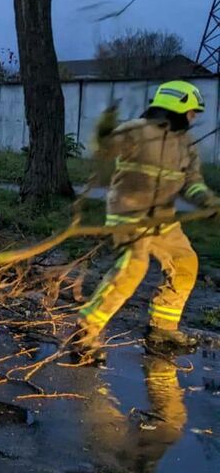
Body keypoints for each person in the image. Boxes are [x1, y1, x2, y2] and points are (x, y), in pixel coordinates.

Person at [73, 80, 220, 364]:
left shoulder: (185, 145)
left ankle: (162, 330)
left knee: (185, 263)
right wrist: (104, 129)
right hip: (128, 214)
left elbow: (192, 182)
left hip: (163, 218)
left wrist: (208, 201)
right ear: (177, 107)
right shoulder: (136, 131)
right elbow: (104, 148)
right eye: (192, 112)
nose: (193, 118)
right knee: (133, 267)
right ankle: (85, 331)